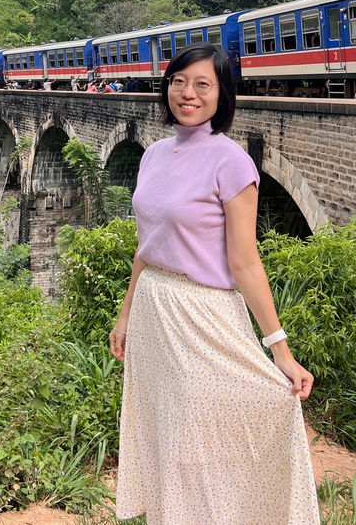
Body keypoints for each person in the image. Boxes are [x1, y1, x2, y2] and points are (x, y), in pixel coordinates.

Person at [110, 43, 319, 525]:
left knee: (198, 443)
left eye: (203, 84)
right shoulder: (154, 155)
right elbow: (147, 246)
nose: (188, 93)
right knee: (167, 439)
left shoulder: (231, 162)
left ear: (222, 94)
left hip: (202, 316)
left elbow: (245, 261)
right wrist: (125, 315)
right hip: (153, 313)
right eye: (179, 82)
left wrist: (279, 350)